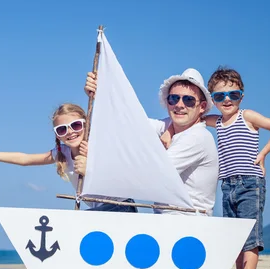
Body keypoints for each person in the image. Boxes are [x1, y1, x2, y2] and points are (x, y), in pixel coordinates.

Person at [83, 68, 219, 215]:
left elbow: (153, 174)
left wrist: (92, 170)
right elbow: (129, 121)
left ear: (202, 107)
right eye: (174, 98)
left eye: (189, 100)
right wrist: (101, 94)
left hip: (189, 226)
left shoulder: (197, 137)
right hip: (169, 224)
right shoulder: (170, 127)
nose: (179, 105)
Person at [0, 103, 137, 212]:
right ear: (57, 135)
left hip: (122, 208)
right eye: (62, 129)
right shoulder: (63, 153)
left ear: (86, 124)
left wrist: (92, 167)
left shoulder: (100, 147)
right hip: (98, 210)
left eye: (76, 125)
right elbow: (26, 159)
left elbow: (124, 173)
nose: (70, 132)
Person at [204, 66, 270, 269]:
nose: (228, 100)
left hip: (250, 182)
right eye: (220, 96)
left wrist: (263, 154)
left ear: (242, 95)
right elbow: (197, 119)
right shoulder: (218, 122)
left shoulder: (247, 116)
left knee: (250, 235)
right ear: (213, 99)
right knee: (234, 236)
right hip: (227, 184)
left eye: (234, 94)